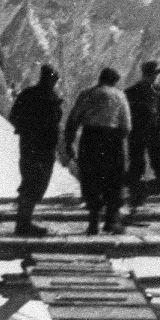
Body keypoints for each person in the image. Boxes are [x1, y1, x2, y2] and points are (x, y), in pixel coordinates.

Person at [61, 66, 131, 234]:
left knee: (91, 179)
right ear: (114, 81)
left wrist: (69, 143)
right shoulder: (120, 96)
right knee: (113, 180)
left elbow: (73, 119)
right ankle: (111, 221)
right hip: (112, 140)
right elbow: (126, 126)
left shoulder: (87, 94)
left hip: (90, 138)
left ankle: (94, 220)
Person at [8, 64, 62, 236]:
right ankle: (23, 225)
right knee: (35, 182)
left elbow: (14, 116)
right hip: (43, 146)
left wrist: (26, 129)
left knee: (30, 180)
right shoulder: (51, 97)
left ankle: (23, 221)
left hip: (29, 144)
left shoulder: (28, 94)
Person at [124, 59, 160, 209]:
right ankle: (136, 196)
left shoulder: (157, 90)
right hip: (138, 133)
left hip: (153, 133)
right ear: (148, 74)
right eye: (154, 74)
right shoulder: (131, 92)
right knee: (137, 164)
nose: (156, 77)